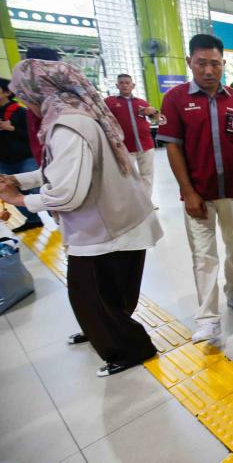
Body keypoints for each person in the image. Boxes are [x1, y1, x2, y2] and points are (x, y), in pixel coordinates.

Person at [0, 59, 162, 377]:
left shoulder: (67, 124)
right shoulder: (75, 113)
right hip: (117, 217)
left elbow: (68, 192)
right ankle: (106, 332)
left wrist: (19, 199)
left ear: (37, 90)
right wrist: (23, 181)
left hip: (109, 224)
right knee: (108, 291)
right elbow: (63, 169)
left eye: (23, 94)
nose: (24, 102)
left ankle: (131, 348)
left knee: (88, 294)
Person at [157, 34, 233, 344]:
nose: (208, 70)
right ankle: (207, 318)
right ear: (190, 63)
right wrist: (188, 191)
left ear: (223, 64)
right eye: (201, 63)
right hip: (198, 193)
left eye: (215, 64)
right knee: (203, 255)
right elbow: (173, 148)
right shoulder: (175, 99)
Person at [104, 74, 160, 201]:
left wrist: (154, 111)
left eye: (127, 83)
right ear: (117, 85)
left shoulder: (141, 102)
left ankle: (146, 203)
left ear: (133, 85)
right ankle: (132, 205)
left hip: (146, 145)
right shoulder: (109, 102)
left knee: (147, 175)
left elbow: (157, 119)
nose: (124, 85)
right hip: (124, 147)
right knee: (126, 177)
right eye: (121, 83)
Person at [0, 77, 43, 232]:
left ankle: (57, 214)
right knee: (7, 190)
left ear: (6, 92)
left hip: (25, 157)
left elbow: (35, 136)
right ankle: (32, 219)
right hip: (4, 160)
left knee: (37, 187)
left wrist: (13, 129)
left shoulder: (20, 112)